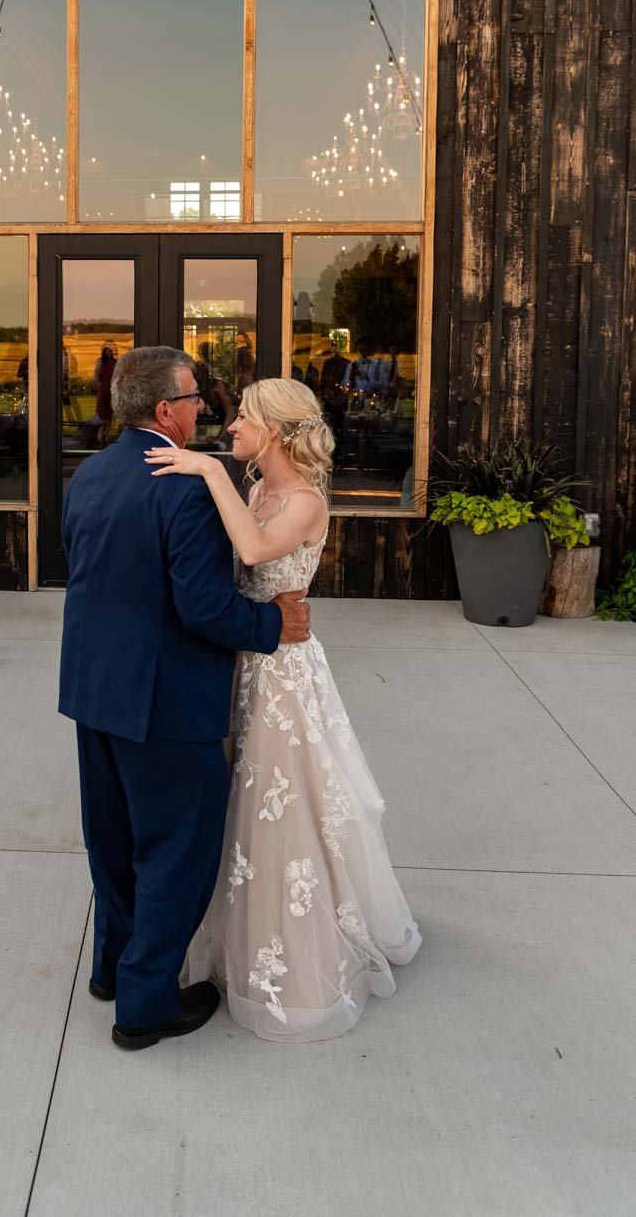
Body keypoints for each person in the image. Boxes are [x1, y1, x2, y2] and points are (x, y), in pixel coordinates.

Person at [145, 377, 421, 1041]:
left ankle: (294, 962)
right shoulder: (257, 491)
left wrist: (207, 468)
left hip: (282, 678)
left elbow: (252, 551)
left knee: (280, 807)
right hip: (242, 663)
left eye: (242, 415)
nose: (230, 424)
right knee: (234, 801)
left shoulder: (304, 500)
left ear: (272, 428)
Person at [59, 346, 312, 1052]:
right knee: (177, 851)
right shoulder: (186, 487)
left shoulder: (89, 474)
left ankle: (111, 969)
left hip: (93, 691)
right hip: (164, 702)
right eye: (197, 397)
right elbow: (203, 607)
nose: (207, 407)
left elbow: (89, 570)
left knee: (113, 842)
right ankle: (143, 1006)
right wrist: (273, 625)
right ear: (166, 410)